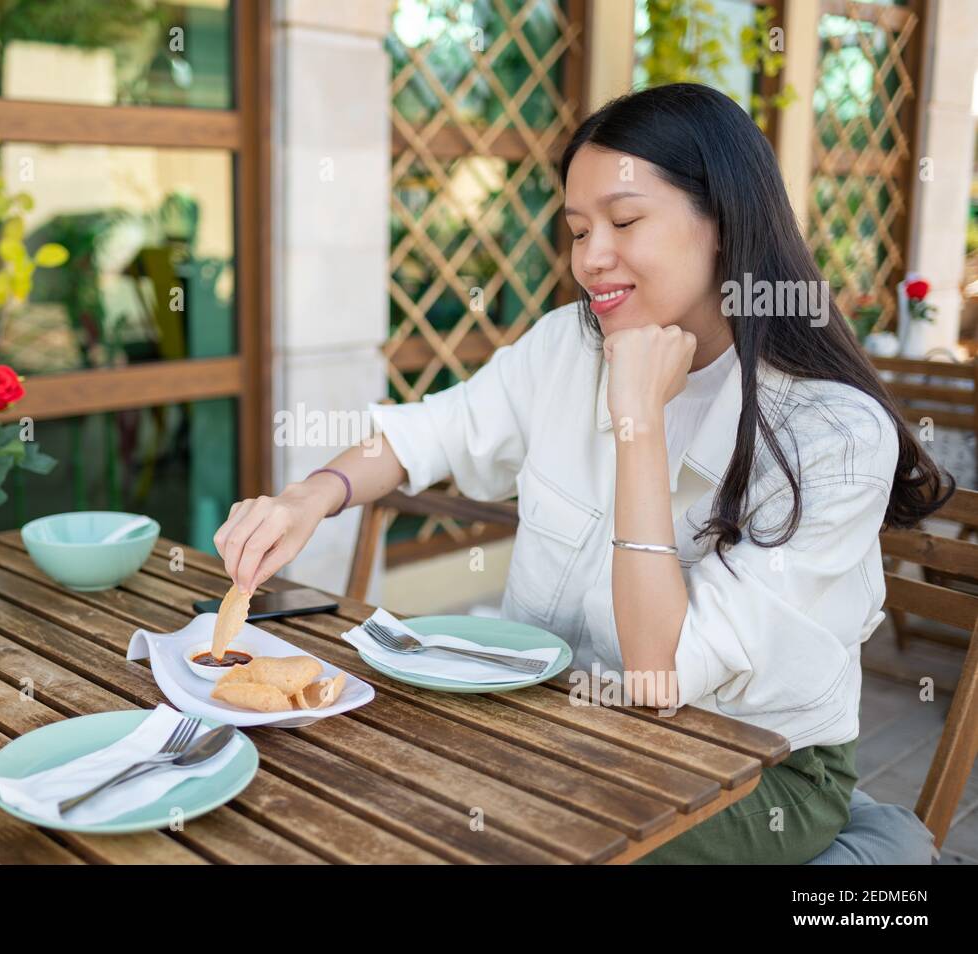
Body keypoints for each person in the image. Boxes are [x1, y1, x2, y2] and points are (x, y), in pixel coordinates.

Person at [214, 82, 954, 864]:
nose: (590, 257)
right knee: (341, 775)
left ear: (724, 225)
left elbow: (659, 673)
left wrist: (638, 423)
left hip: (750, 769)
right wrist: (309, 496)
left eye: (625, 221)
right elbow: (432, 431)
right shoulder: (567, 345)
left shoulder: (830, 432)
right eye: (577, 229)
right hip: (556, 722)